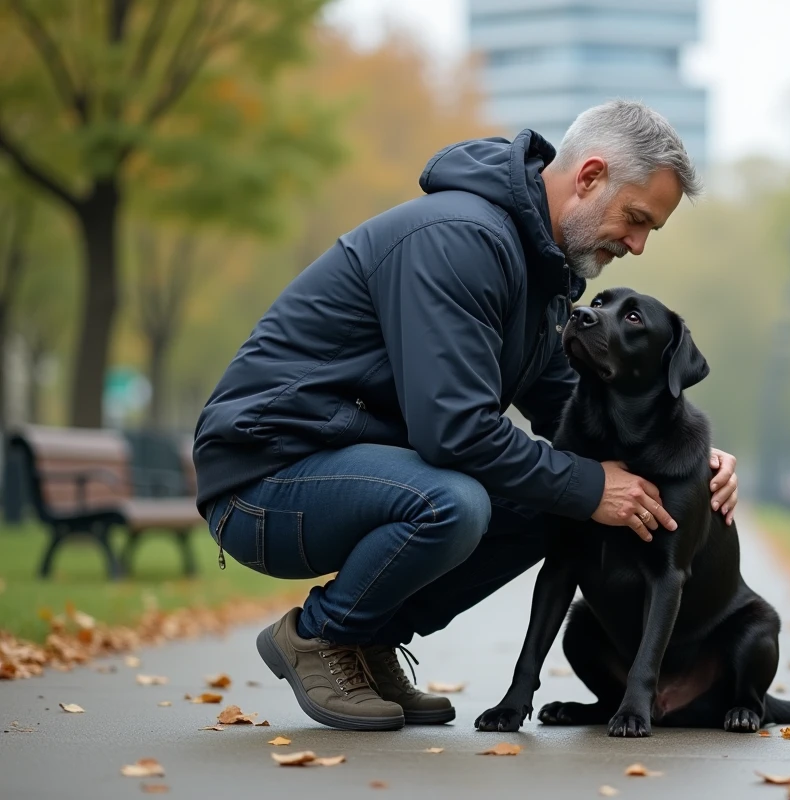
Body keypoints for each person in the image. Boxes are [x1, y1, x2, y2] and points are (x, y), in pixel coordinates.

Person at [192, 100, 740, 732]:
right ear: (589, 177)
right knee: (457, 501)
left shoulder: (542, 276)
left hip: (350, 469)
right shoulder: (461, 240)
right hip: (264, 481)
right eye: (636, 218)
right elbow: (453, 429)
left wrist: (687, 459)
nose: (639, 246)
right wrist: (591, 487)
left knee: (550, 498)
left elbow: (574, 413)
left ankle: (368, 639)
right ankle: (320, 635)